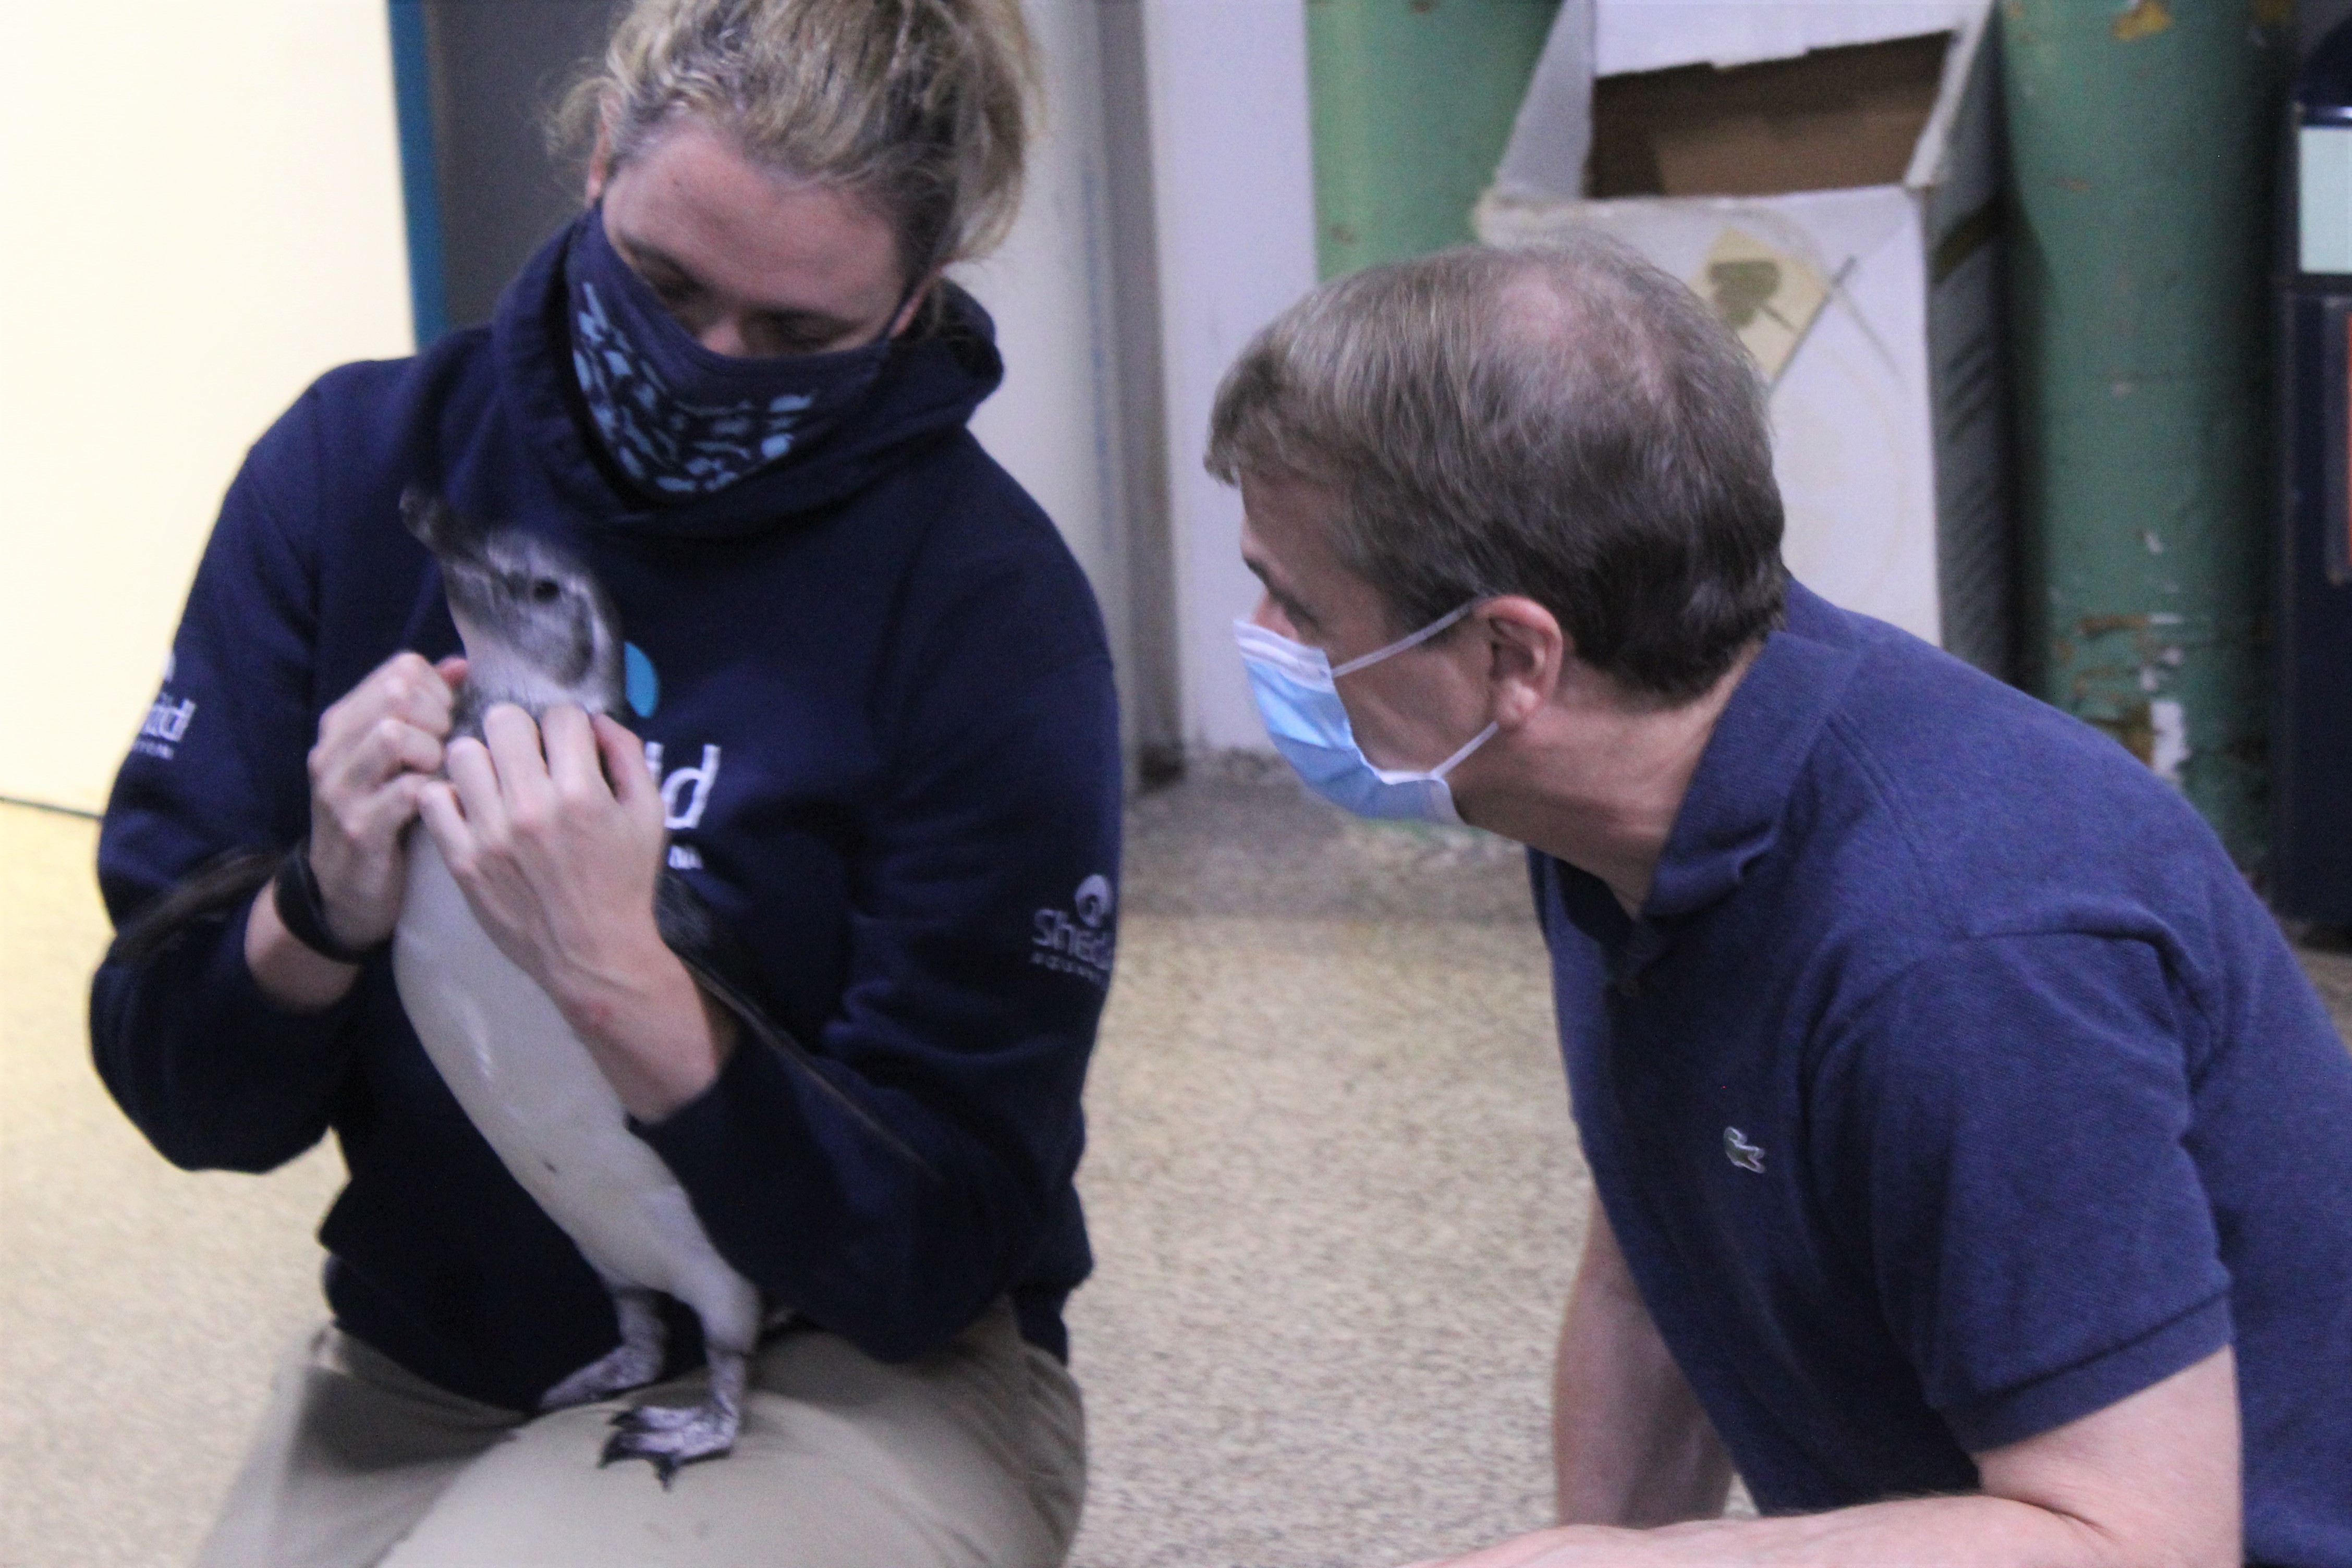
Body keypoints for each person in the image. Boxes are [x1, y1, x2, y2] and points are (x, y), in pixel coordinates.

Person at [88, 1, 1117, 1563]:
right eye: (666, 284)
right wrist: (318, 902)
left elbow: (930, 1252)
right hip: (429, 1366)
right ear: (595, 163)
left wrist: (623, 982)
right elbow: (180, 1095)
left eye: (795, 335)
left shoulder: (985, 605)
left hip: (844, 1368)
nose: (707, 367)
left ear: (915, 302)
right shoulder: (355, 470)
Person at [1206, 236, 2352, 1568]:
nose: (1270, 642)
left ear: (1512, 654)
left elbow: (2137, 1540)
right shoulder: (1608, 794)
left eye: (1298, 603)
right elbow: (1652, 1277)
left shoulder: (1962, 956)